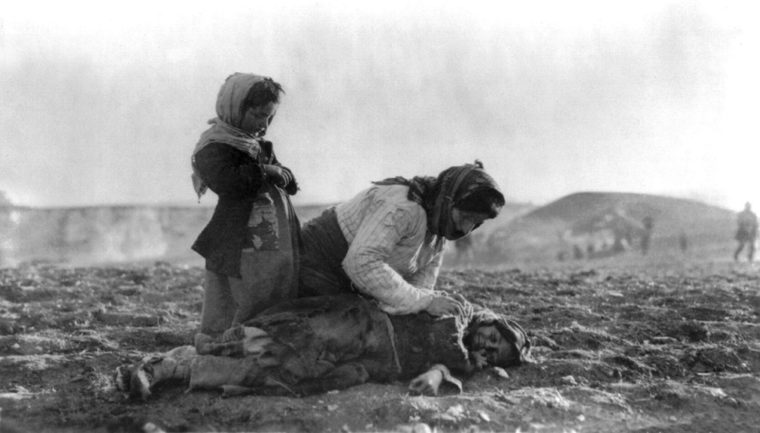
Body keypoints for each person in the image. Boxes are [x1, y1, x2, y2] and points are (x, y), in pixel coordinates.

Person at [115, 294, 532, 400]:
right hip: (362, 328)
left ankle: (175, 371)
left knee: (285, 377)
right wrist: (462, 362)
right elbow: (446, 338)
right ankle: (164, 364)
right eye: (493, 338)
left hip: (369, 365)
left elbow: (443, 370)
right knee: (283, 344)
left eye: (496, 353)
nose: (487, 346)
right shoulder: (458, 312)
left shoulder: (464, 361)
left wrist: (441, 374)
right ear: (489, 321)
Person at [298, 161, 505, 316]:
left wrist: (431, 303)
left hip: (351, 280)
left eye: (477, 223)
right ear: (449, 200)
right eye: (466, 217)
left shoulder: (438, 232)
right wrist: (424, 302)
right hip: (317, 263)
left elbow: (420, 286)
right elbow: (361, 263)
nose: (466, 228)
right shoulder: (404, 207)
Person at [190, 73, 301, 337]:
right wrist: (265, 172)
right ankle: (226, 344)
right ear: (235, 108)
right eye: (258, 115)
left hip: (271, 239)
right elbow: (227, 183)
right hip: (238, 238)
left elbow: (285, 179)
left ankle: (262, 336)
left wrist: (285, 176)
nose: (264, 124)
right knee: (237, 295)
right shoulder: (214, 147)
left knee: (271, 286)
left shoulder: (257, 145)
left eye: (269, 117)